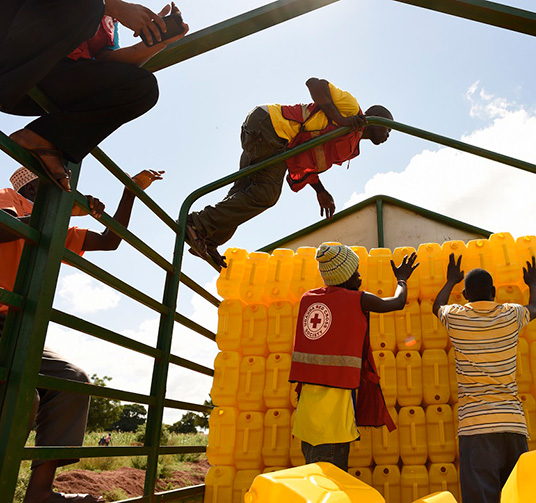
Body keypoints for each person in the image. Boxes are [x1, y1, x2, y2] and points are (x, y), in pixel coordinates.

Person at [0, 166, 162, 503]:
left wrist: (130, 192)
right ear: (35, 186)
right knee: (20, 396)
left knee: (72, 381)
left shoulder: (52, 220)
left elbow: (109, 241)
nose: (68, 188)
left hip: (18, 327)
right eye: (61, 182)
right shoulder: (8, 200)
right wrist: (54, 213)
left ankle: (40, 493)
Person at [185, 78, 393, 268]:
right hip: (270, 128)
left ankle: (208, 238)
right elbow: (315, 84)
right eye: (388, 129)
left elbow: (306, 159)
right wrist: (341, 118)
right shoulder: (351, 108)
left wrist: (320, 191)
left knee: (244, 191)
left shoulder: (350, 145)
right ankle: (197, 224)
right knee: (266, 194)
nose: (388, 135)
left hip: (266, 133)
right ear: (375, 119)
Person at [1, 0, 188, 193]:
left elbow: (105, 61)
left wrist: (157, 43)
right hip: (11, 53)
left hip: (39, 82)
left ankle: (39, 136)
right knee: (88, 7)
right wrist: (112, 6)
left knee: (142, 87)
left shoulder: (109, 19)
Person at [288, 243, 417, 471]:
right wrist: (402, 279)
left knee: (314, 481)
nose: (359, 277)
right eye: (355, 272)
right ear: (345, 275)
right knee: (331, 486)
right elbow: (397, 302)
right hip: (332, 425)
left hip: (306, 421)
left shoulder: (309, 299)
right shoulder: (356, 299)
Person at [433, 254, 536, 503]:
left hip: (475, 427)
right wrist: (532, 283)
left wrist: (450, 281)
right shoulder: (512, 314)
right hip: (513, 425)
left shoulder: (456, 316)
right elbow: (535, 308)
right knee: (516, 497)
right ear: (494, 292)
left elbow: (436, 306)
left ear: (466, 295)